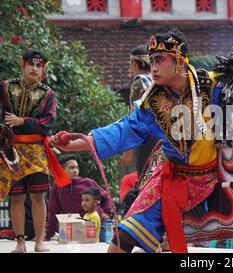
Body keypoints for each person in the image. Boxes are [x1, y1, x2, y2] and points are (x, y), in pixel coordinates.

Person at [50, 31, 220, 253]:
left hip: (218, 177)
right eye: (152, 61)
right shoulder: (153, 103)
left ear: (179, 60)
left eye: (160, 60)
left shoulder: (213, 85)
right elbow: (121, 131)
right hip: (171, 180)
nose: (154, 67)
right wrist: (75, 143)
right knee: (121, 241)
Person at [0, 50, 63, 253]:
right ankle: (19, 242)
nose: (35, 69)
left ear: (43, 69)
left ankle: (39, 240)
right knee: (16, 197)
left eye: (39, 66)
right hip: (12, 151)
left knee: (38, 196)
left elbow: (48, 124)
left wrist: (22, 121)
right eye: (31, 65)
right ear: (22, 65)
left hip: (36, 151)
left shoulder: (48, 94)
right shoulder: (5, 87)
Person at [45, 154, 114, 241]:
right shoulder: (56, 186)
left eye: (77, 167)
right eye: (71, 168)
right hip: (75, 228)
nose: (75, 170)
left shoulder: (87, 182)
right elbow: (53, 211)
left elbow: (105, 196)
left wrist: (107, 212)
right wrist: (47, 236)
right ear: (61, 170)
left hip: (96, 225)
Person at [120, 44, 157, 178]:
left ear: (137, 63)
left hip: (148, 137)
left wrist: (128, 149)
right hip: (166, 136)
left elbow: (135, 115)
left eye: (131, 62)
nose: (130, 67)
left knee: (145, 177)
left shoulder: (139, 82)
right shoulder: (159, 78)